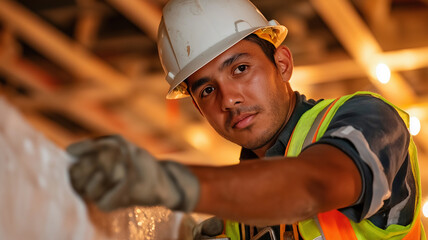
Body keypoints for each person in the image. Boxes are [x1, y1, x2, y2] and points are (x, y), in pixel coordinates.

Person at [66, 0, 425, 239]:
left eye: (240, 68)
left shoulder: (370, 119)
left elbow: (312, 187)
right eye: (207, 90)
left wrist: (169, 182)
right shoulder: (239, 221)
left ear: (282, 64)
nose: (229, 99)